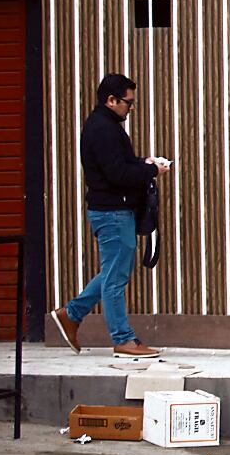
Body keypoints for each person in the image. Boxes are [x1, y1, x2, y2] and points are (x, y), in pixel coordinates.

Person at [51, 74, 170, 358]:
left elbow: (119, 165)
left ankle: (72, 313)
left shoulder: (105, 127)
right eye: (128, 102)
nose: (131, 108)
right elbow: (117, 174)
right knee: (116, 277)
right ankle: (123, 339)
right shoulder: (104, 130)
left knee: (113, 272)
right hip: (113, 212)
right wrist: (151, 171)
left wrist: (145, 162)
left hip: (113, 211)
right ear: (111, 100)